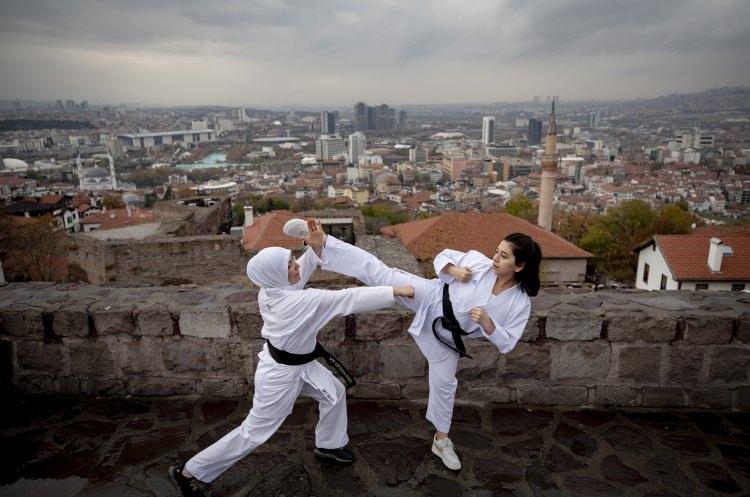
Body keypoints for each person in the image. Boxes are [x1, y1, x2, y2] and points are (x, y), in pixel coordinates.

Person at [169, 223, 415, 497]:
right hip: (280, 375)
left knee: (334, 392)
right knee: (254, 432)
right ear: (276, 275)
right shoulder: (296, 302)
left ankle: (329, 445)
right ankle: (189, 472)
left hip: (301, 364)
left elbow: (301, 269)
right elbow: (347, 298)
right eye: (289, 265)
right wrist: (395, 292)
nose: (295, 267)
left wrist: (316, 245)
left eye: (291, 261)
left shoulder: (272, 288)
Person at [304, 220, 541, 471]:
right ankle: (325, 246)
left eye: (503, 256)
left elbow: (507, 343)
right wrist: (453, 270)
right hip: (431, 295)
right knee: (382, 273)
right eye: (496, 251)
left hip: (448, 339)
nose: (494, 258)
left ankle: (441, 441)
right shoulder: (479, 262)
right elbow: (443, 256)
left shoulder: (519, 303)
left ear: (520, 265)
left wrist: (488, 323)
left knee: (445, 386)